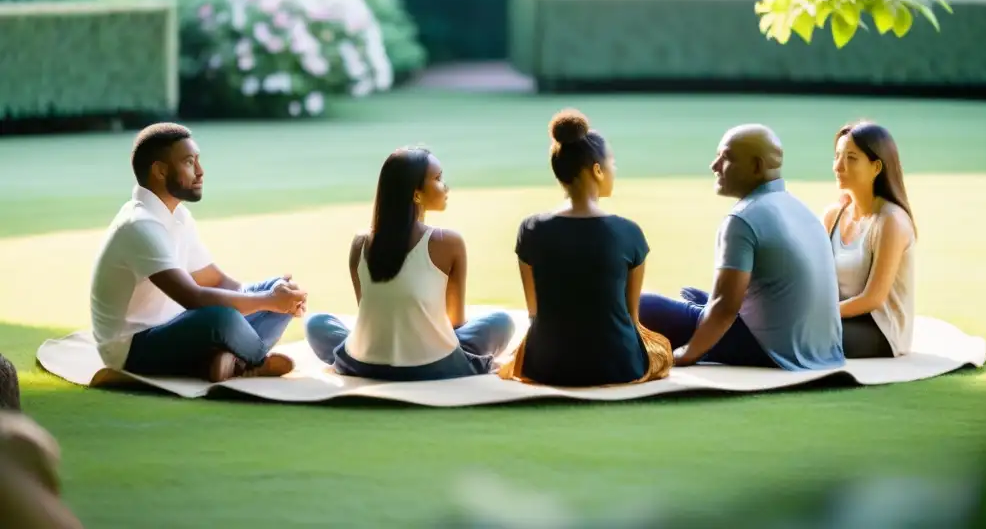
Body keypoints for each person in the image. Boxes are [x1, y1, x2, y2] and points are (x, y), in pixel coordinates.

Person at [90, 123, 307, 383]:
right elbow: (194, 298)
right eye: (190, 162)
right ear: (160, 171)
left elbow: (216, 281)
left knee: (279, 286)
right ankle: (253, 362)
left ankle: (225, 361)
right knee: (220, 317)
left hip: (178, 326)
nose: (201, 172)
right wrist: (268, 302)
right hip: (132, 348)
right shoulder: (140, 225)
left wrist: (277, 297)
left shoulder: (178, 216)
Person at [638, 124, 845, 370]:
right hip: (822, 348)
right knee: (693, 297)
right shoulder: (801, 210)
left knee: (642, 305)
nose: (714, 166)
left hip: (772, 351)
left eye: (725, 158)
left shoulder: (743, 218)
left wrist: (687, 353)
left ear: (757, 166)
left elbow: (725, 308)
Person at [304, 147, 515, 381]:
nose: (446, 186)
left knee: (316, 323)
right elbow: (453, 322)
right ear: (416, 194)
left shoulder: (360, 243)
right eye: (438, 179)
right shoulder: (449, 242)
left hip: (365, 364)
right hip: (434, 365)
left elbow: (370, 314)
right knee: (501, 322)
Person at [498, 109, 672, 387]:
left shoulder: (530, 229)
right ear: (598, 170)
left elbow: (534, 311)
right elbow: (631, 318)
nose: (615, 170)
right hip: (618, 366)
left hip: (546, 365)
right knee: (660, 347)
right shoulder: (629, 232)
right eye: (612, 163)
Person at [824, 120, 916, 358]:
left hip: (880, 330)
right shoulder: (834, 215)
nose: (838, 166)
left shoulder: (891, 222)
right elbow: (816, 275)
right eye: (837, 156)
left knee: (796, 336)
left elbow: (873, 299)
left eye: (851, 158)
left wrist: (821, 313)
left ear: (876, 167)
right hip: (839, 317)